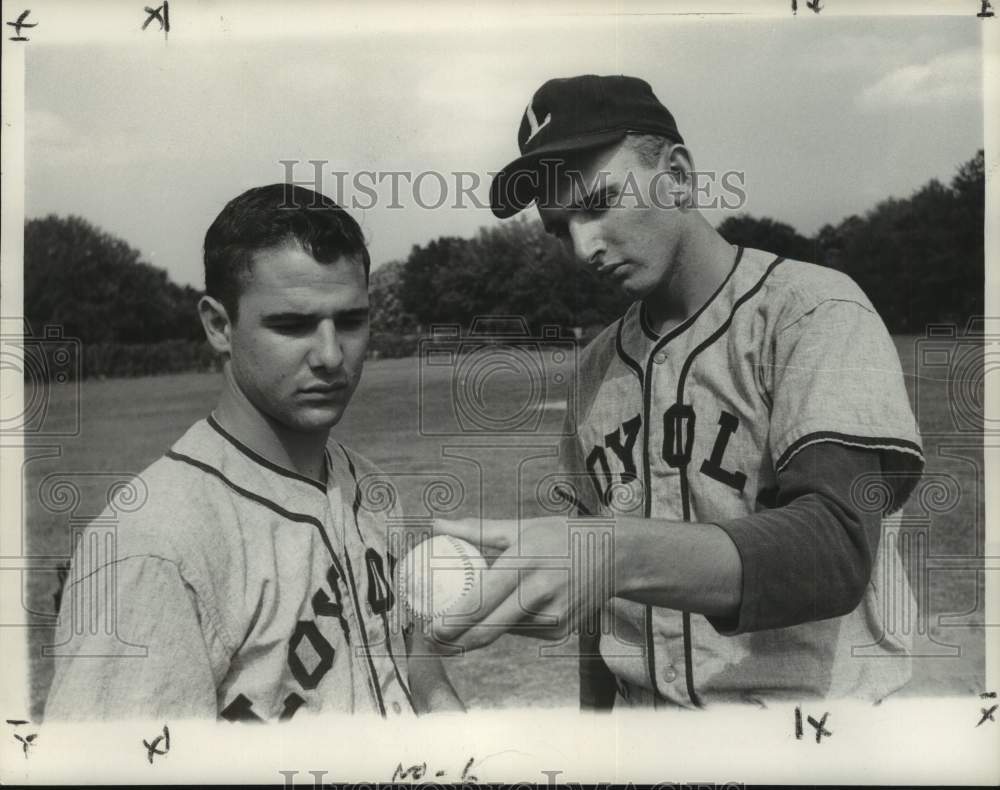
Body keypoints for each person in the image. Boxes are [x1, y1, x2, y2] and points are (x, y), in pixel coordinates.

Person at [433, 75, 924, 709]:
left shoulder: (812, 312)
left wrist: (615, 552)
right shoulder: (593, 373)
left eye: (600, 202)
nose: (583, 246)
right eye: (559, 227)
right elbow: (596, 605)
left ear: (680, 176)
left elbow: (836, 550)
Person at [45, 184, 463, 720]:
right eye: (292, 325)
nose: (332, 355)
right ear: (219, 326)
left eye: (352, 321)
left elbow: (411, 665)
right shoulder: (153, 544)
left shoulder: (370, 488)